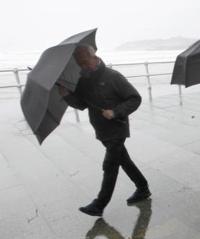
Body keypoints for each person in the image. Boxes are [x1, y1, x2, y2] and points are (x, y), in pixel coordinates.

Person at [58, 45, 150, 217]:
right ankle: (143, 188)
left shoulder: (113, 77)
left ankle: (99, 204)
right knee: (124, 161)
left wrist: (115, 112)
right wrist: (66, 95)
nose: (85, 67)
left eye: (86, 62)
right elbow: (82, 104)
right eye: (81, 64)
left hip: (117, 128)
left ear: (94, 56)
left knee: (110, 165)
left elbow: (135, 98)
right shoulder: (84, 79)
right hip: (101, 130)